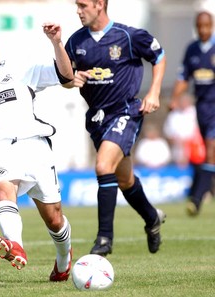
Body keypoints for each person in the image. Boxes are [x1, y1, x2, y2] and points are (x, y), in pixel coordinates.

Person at [0, 25, 73, 281]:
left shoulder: (19, 69)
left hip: (34, 147)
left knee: (54, 220)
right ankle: (16, 245)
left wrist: (57, 42)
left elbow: (66, 75)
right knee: (3, 191)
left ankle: (63, 262)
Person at [63, 0, 167, 256]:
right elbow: (66, 78)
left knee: (102, 166)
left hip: (126, 112)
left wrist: (153, 93)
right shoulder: (76, 42)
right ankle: (152, 217)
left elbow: (159, 56)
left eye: (83, 5)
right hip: (97, 119)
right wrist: (71, 80)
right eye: (77, 5)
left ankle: (104, 239)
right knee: (123, 179)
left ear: (100, 5)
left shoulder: (128, 36)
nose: (78, 10)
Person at [169, 11, 215, 217]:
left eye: (207, 26)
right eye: (200, 26)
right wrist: (174, 98)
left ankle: (196, 199)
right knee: (207, 151)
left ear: (212, 26)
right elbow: (183, 77)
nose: (204, 30)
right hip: (202, 107)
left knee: (211, 148)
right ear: (196, 27)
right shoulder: (192, 49)